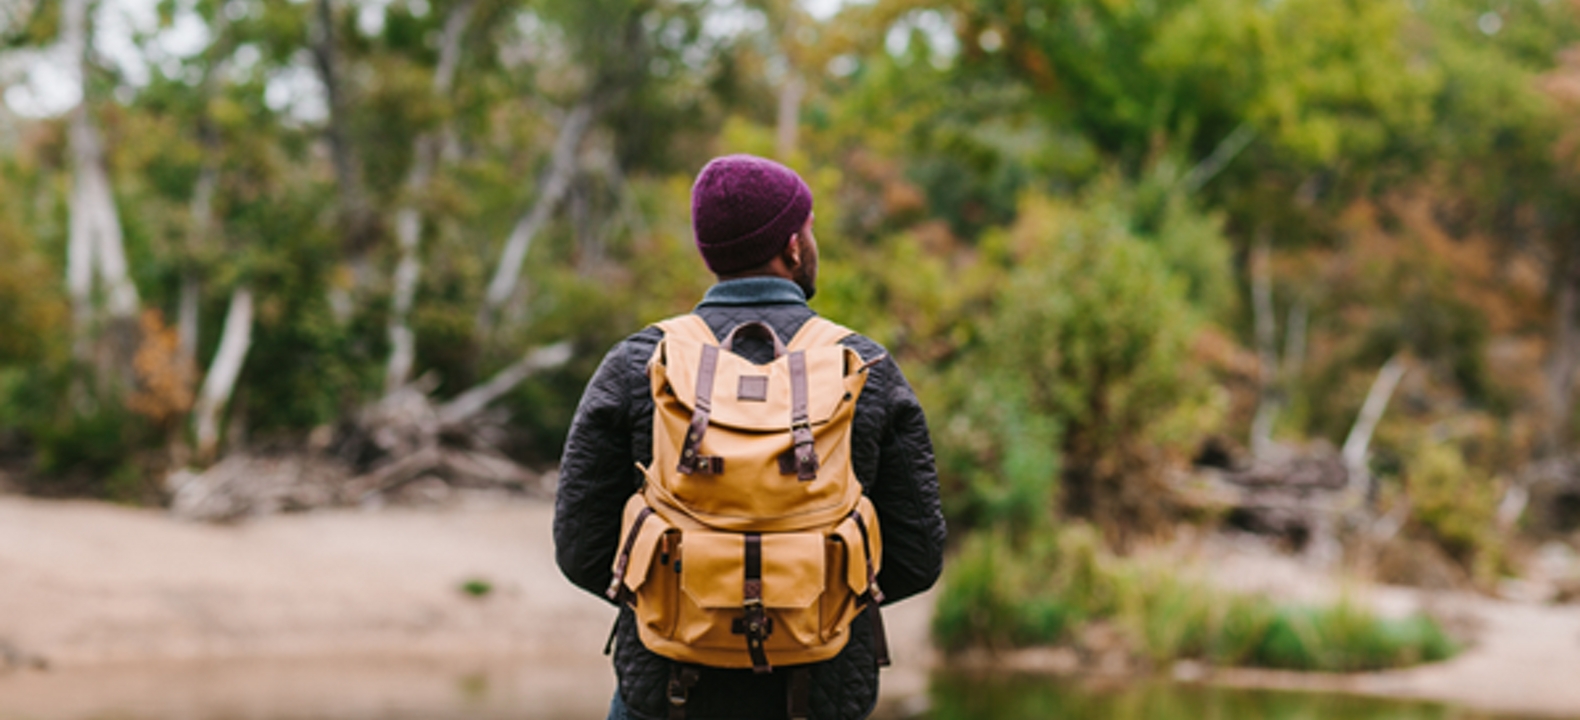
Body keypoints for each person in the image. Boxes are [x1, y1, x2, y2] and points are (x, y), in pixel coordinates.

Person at [554, 154, 946, 720]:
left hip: (668, 691)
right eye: (808, 230)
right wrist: (812, 602)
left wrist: (685, 604)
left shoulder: (639, 363)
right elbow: (918, 556)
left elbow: (580, 549)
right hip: (822, 691)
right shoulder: (863, 366)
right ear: (792, 246)